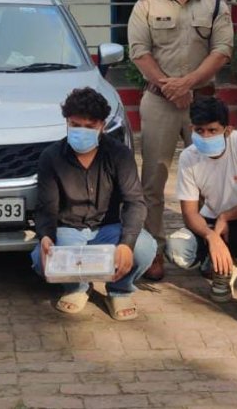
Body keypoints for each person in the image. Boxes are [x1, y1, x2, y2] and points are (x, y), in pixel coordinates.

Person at [126, 0, 233, 280]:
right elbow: (139, 51)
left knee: (210, 179)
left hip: (203, 102)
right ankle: (153, 249)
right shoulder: (146, 5)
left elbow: (222, 50)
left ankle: (207, 247)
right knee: (153, 178)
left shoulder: (214, 6)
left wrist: (187, 84)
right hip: (160, 101)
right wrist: (170, 87)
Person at [31, 87, 156, 321]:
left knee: (144, 247)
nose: (82, 131)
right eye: (75, 124)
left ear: (102, 126)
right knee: (41, 258)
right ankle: (77, 288)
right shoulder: (51, 156)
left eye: (90, 126)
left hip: (109, 229)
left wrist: (126, 244)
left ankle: (120, 290)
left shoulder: (119, 154)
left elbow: (135, 202)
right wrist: (46, 236)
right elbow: (46, 207)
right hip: (68, 230)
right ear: (67, 122)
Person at [166, 97, 237, 325]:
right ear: (191, 129)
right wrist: (211, 237)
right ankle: (223, 268)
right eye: (199, 130)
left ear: (228, 130)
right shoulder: (189, 156)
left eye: (212, 130)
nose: (205, 136)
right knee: (176, 247)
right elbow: (189, 213)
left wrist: (226, 216)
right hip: (210, 224)